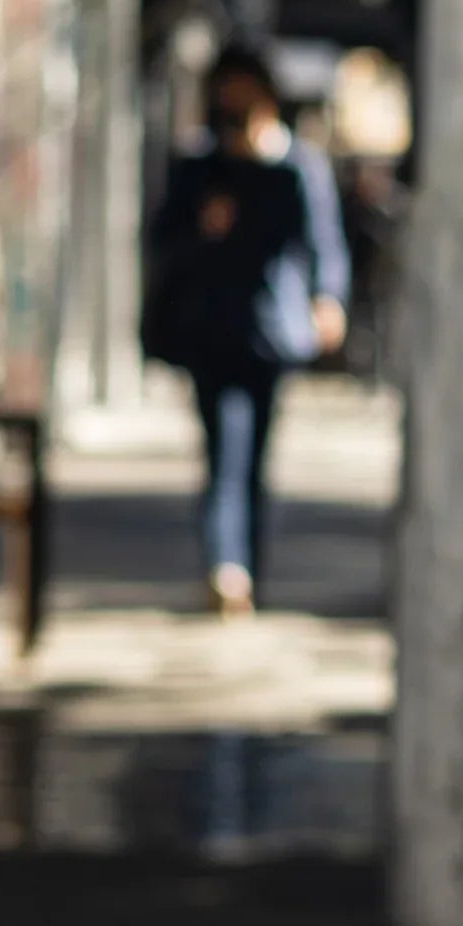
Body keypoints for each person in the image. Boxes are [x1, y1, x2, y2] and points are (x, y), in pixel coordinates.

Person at [143, 44, 348, 616]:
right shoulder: (199, 166)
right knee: (224, 449)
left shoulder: (296, 166)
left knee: (254, 455)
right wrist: (203, 227)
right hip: (211, 329)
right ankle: (227, 565)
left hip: (271, 332)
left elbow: (323, 241)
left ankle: (245, 563)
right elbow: (162, 240)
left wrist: (328, 299)